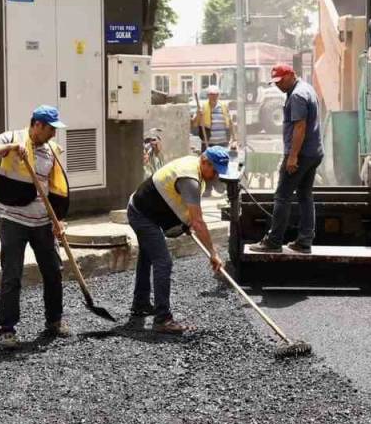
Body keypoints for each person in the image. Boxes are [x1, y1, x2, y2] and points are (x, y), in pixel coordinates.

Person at [0, 105, 71, 350]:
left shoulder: (52, 151)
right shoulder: (12, 138)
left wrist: (59, 220)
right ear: (37, 125)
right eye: (50, 129)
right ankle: (7, 329)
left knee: (53, 272)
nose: (53, 134)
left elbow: (56, 189)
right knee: (12, 275)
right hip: (13, 221)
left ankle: (54, 321)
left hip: (43, 224)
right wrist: (8, 149)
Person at [125, 147, 229, 333]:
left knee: (148, 255)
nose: (215, 176)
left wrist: (184, 225)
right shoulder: (190, 180)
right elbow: (198, 221)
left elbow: (180, 208)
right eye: (214, 171)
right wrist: (213, 253)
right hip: (141, 213)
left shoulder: (194, 168)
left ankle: (140, 303)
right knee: (163, 261)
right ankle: (163, 319)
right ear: (205, 162)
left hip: (148, 210)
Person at [249, 64, 323, 254]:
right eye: (275, 83)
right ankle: (305, 241)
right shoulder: (307, 89)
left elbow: (300, 127)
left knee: (282, 197)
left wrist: (292, 157)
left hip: (301, 154)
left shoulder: (297, 95)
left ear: (291, 75)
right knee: (305, 196)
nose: (278, 85)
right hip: (313, 152)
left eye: (281, 81)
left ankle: (274, 241)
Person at [191, 84, 236, 196]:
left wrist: (234, 138)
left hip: (222, 143)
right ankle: (207, 189)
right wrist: (198, 115)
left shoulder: (224, 107)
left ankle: (223, 188)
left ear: (218, 95)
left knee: (222, 166)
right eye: (211, 95)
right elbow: (194, 123)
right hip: (208, 143)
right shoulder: (202, 107)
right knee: (207, 167)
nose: (213, 97)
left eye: (215, 95)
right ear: (208, 95)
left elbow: (230, 123)